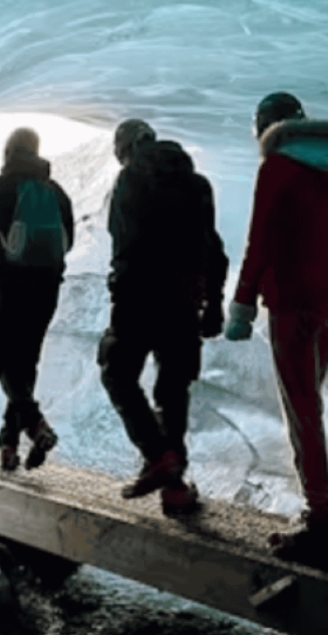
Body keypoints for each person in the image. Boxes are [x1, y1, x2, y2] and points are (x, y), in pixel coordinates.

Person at [224, 92, 328, 562]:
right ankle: (316, 514)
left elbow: (259, 238)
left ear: (266, 125)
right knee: (309, 407)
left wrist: (241, 304)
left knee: (303, 412)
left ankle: (319, 523)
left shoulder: (277, 167)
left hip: (296, 303)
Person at [100, 120, 228, 515]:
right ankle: (174, 488)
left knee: (117, 372)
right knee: (173, 389)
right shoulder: (198, 184)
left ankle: (158, 455)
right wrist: (215, 303)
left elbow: (125, 242)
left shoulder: (129, 179)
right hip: (185, 300)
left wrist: (122, 286)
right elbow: (214, 249)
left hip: (139, 294)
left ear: (125, 149)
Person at [0, 127, 75, 472]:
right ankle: (9, 446)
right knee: (25, 363)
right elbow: (67, 240)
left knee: (2, 356)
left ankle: (33, 423)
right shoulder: (55, 191)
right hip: (48, 286)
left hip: (11, 284)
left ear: (8, 151)